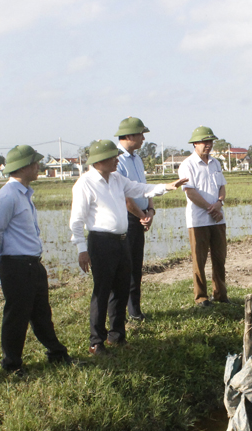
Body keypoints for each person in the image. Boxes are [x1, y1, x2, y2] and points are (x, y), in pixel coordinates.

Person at [70, 140, 188, 355]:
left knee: (122, 288)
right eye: (113, 157)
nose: (117, 160)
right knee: (102, 291)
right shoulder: (85, 183)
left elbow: (140, 189)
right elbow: (76, 220)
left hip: (121, 240)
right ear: (101, 161)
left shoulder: (116, 179)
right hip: (101, 242)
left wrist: (166, 187)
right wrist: (81, 248)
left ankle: (117, 336)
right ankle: (96, 341)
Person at [0, 145, 72, 375]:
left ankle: (56, 353)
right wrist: (0, 257)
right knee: (17, 317)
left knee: (41, 313)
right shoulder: (8, 196)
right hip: (16, 265)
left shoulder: (24, 193)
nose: (38, 167)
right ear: (24, 167)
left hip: (32, 264)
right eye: (35, 164)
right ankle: (12, 364)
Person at [178, 126, 229, 307]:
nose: (208, 145)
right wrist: (210, 207)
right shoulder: (187, 165)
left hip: (218, 219)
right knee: (199, 260)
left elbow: (222, 186)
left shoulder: (216, 163)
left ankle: (221, 294)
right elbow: (190, 192)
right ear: (195, 144)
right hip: (198, 220)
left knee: (219, 258)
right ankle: (201, 297)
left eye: (210, 142)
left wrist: (219, 203)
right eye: (205, 142)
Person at [114, 117, 154, 321]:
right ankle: (128, 310)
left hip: (141, 217)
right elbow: (125, 197)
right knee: (126, 266)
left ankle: (135, 309)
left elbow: (144, 188)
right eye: (140, 134)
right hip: (129, 220)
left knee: (137, 264)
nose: (143, 138)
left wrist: (151, 210)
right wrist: (141, 215)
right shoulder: (116, 161)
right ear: (129, 136)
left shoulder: (137, 159)